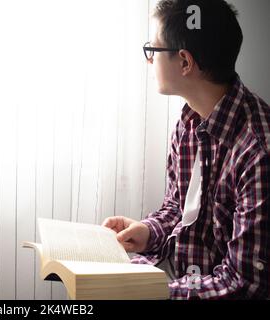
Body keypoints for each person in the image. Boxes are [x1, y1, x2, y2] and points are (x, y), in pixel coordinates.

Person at [103, 0, 269, 299]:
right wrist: (147, 231)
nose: (149, 60)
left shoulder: (258, 152)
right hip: (183, 275)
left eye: (153, 51)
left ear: (184, 62)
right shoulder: (190, 120)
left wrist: (157, 292)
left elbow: (244, 282)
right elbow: (178, 208)